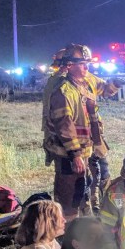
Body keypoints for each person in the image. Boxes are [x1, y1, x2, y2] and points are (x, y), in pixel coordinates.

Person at [43, 44, 97, 219]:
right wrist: (75, 155)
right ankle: (64, 229)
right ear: (69, 65)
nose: (86, 68)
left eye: (87, 64)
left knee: (81, 191)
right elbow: (64, 125)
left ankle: (79, 226)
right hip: (67, 154)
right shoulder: (64, 92)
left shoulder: (80, 87)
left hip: (81, 152)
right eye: (82, 64)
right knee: (68, 196)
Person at [84, 70, 123, 212]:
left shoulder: (90, 81)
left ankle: (104, 203)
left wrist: (114, 85)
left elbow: (105, 90)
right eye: (111, 91)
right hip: (85, 138)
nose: (111, 95)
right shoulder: (72, 86)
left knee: (103, 170)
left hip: (95, 136)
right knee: (92, 173)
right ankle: (94, 205)